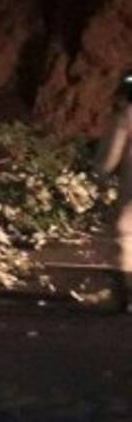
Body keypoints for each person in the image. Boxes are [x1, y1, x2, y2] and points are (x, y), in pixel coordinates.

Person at [93, 70, 132, 314]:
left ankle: (127, 294)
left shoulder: (126, 116)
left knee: (124, 234)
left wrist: (98, 177)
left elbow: (109, 157)